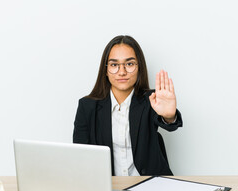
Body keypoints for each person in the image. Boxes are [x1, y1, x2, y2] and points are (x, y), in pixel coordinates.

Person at [73, 35, 182, 176]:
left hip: (152, 184)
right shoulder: (87, 107)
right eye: (114, 65)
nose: (122, 71)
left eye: (129, 64)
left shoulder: (152, 99)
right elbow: (80, 156)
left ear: (139, 67)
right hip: (108, 187)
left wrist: (169, 117)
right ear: (105, 70)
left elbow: (170, 124)